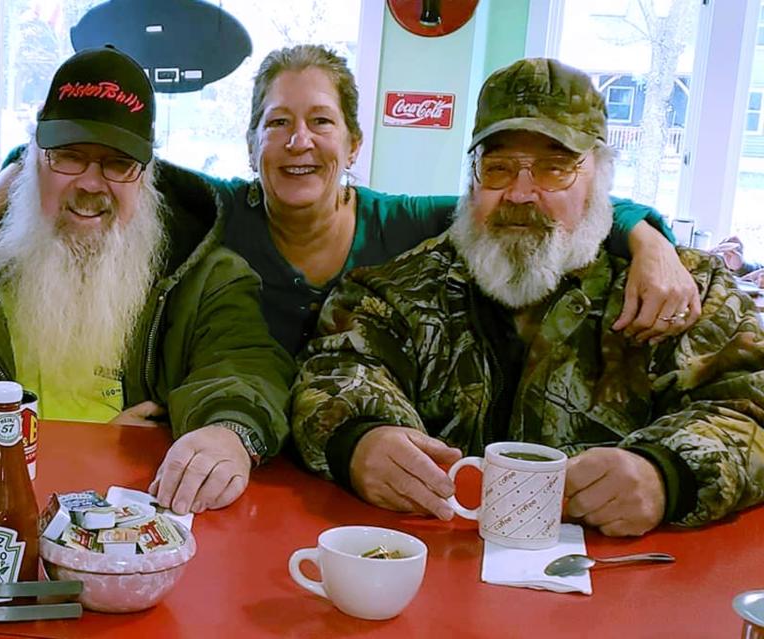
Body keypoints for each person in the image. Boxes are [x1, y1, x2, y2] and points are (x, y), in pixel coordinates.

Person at [0, 44, 701, 357]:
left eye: (320, 121)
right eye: (277, 122)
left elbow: (526, 205)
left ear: (355, 142)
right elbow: (105, 158)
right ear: (251, 146)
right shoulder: (218, 210)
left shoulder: (408, 222)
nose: (299, 141)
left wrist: (648, 236)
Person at [290, 58, 764, 537]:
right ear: (472, 179)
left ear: (599, 177)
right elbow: (335, 373)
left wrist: (666, 474)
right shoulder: (393, 291)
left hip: (625, 585)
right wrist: (360, 441)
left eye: (554, 169)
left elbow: (747, 406)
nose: (520, 194)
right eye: (497, 169)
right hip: (427, 576)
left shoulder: (684, 293)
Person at [0, 46, 294, 516]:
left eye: (117, 164)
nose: (92, 184)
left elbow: (244, 363)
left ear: (147, 174)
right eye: (69, 157)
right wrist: (89, 443)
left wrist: (228, 431)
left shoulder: (202, 275)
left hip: (129, 524)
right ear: (34, 158)